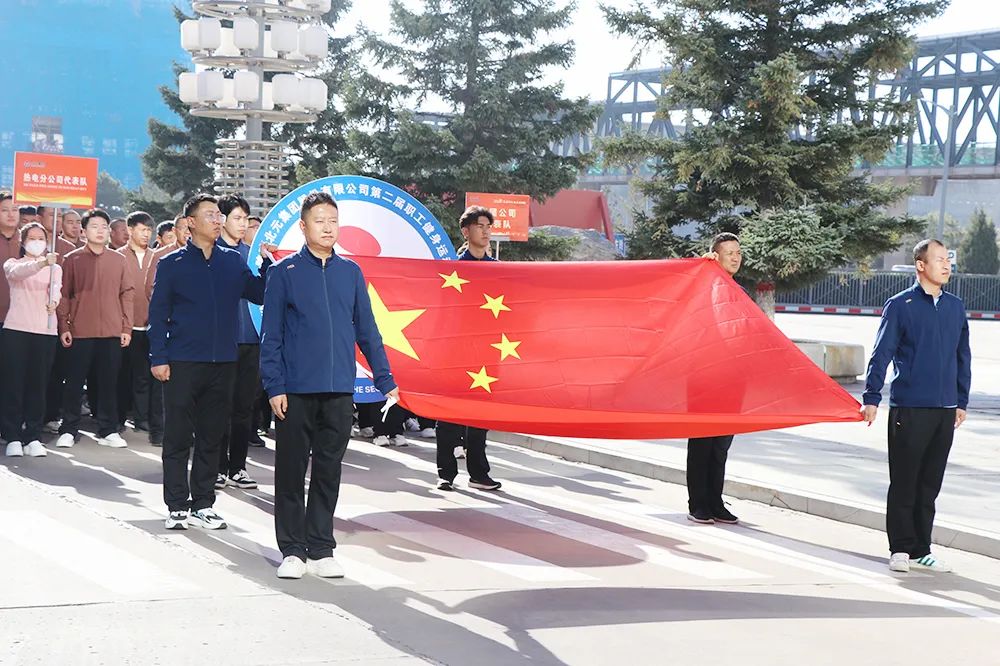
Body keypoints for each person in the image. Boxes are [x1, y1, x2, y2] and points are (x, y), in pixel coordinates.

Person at [260, 192, 398, 579]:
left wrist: (385, 378)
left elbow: (368, 331)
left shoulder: (350, 273)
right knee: (290, 472)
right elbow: (271, 336)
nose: (327, 227)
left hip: (338, 389)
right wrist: (274, 386)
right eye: (319, 221)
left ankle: (321, 548)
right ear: (303, 226)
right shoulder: (284, 273)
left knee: (328, 470)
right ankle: (292, 550)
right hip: (295, 390)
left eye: (333, 221)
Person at [148, 193, 271, 532]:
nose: (217, 220)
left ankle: (203, 503)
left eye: (219, 215)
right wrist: (159, 357)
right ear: (190, 222)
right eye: (210, 215)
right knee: (177, 436)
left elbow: (259, 292)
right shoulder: (172, 264)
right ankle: (177, 504)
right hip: (182, 362)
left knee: (211, 436)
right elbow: (157, 315)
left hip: (224, 363)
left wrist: (268, 263)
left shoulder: (232, 262)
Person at [862, 238, 970, 574]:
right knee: (905, 481)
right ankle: (900, 548)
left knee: (929, 484)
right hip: (910, 408)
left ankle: (922, 549)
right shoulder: (901, 305)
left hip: (945, 409)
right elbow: (882, 353)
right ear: (921, 265)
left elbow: (962, 356)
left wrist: (961, 400)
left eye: (948, 259)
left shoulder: (955, 307)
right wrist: (871, 397)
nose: (946, 264)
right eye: (939, 259)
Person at [435, 206, 502, 492]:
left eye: (488, 226)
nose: (485, 232)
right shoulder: (453, 270)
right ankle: (445, 473)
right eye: (480, 226)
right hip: (455, 354)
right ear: (466, 231)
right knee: (448, 416)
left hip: (486, 352)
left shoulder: (498, 270)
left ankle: (479, 473)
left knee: (479, 416)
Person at [54, 209, 133, 449]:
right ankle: (69, 429)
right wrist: (64, 325)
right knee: (74, 382)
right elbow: (64, 294)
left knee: (108, 383)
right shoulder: (73, 259)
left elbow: (126, 294)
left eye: (103, 227)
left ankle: (108, 430)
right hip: (80, 330)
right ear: (84, 231)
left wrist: (126, 327)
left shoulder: (119, 260)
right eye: (94, 226)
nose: (100, 231)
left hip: (111, 330)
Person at [684, 232, 743, 525]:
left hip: (732, 379)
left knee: (721, 447)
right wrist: (703, 269)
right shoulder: (703, 284)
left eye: (738, 252)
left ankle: (716, 502)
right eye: (729, 253)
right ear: (715, 256)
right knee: (702, 443)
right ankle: (698, 504)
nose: (735, 257)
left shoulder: (739, 290)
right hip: (703, 377)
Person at [2, 223, 61, 457]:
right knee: (14, 385)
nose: (37, 242)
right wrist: (42, 263)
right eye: (32, 238)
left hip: (45, 332)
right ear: (23, 242)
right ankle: (13, 436)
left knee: (38, 386)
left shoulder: (55, 267)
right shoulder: (13, 264)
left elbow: (56, 288)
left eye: (41, 238)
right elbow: (20, 273)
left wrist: (54, 301)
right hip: (17, 330)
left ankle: (33, 436)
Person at [215, 194, 260, 490]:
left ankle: (238, 468)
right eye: (237, 218)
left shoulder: (253, 255)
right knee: (219, 407)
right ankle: (217, 466)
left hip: (252, 340)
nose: (243, 224)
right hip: (222, 342)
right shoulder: (212, 252)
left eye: (245, 219)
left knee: (244, 407)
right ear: (222, 220)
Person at [118, 211, 163, 445]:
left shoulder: (157, 257)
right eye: (142, 229)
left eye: (149, 230)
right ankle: (120, 416)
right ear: (130, 229)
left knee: (147, 375)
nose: (146, 234)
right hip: (125, 326)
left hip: (151, 326)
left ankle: (142, 418)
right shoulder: (118, 256)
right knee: (124, 375)